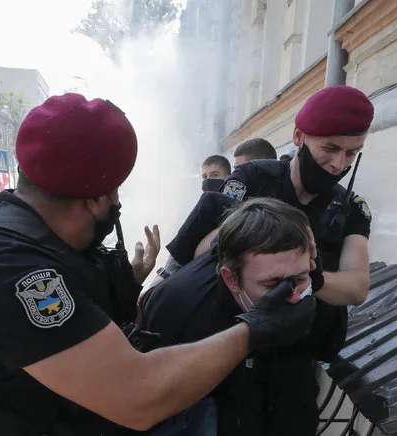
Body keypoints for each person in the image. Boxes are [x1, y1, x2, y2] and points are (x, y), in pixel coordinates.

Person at [0, 93, 317, 436]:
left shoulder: (20, 235)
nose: (118, 204)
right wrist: (253, 329)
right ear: (96, 198)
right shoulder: (8, 271)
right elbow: (138, 396)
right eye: (115, 192)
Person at [159, 85, 374, 434]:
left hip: (296, 362)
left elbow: (357, 286)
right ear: (299, 136)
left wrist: (311, 278)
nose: (339, 164)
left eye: (352, 154)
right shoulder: (251, 180)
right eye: (330, 148)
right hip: (233, 348)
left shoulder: (351, 208)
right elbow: (202, 255)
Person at [142, 198, 331, 436]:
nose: (291, 296)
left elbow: (327, 347)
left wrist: (316, 284)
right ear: (231, 278)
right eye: (273, 284)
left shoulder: (308, 286)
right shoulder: (180, 307)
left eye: (300, 278)